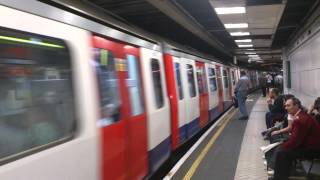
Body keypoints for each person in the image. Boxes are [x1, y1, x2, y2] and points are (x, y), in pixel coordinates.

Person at [270, 97, 320, 180]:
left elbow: (295, 142)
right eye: (285, 106)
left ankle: (280, 177)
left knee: (282, 152)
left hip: (313, 149)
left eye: (288, 106)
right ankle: (284, 173)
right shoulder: (302, 115)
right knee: (282, 149)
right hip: (311, 145)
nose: (286, 108)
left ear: (296, 106)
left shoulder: (299, 119)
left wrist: (282, 146)